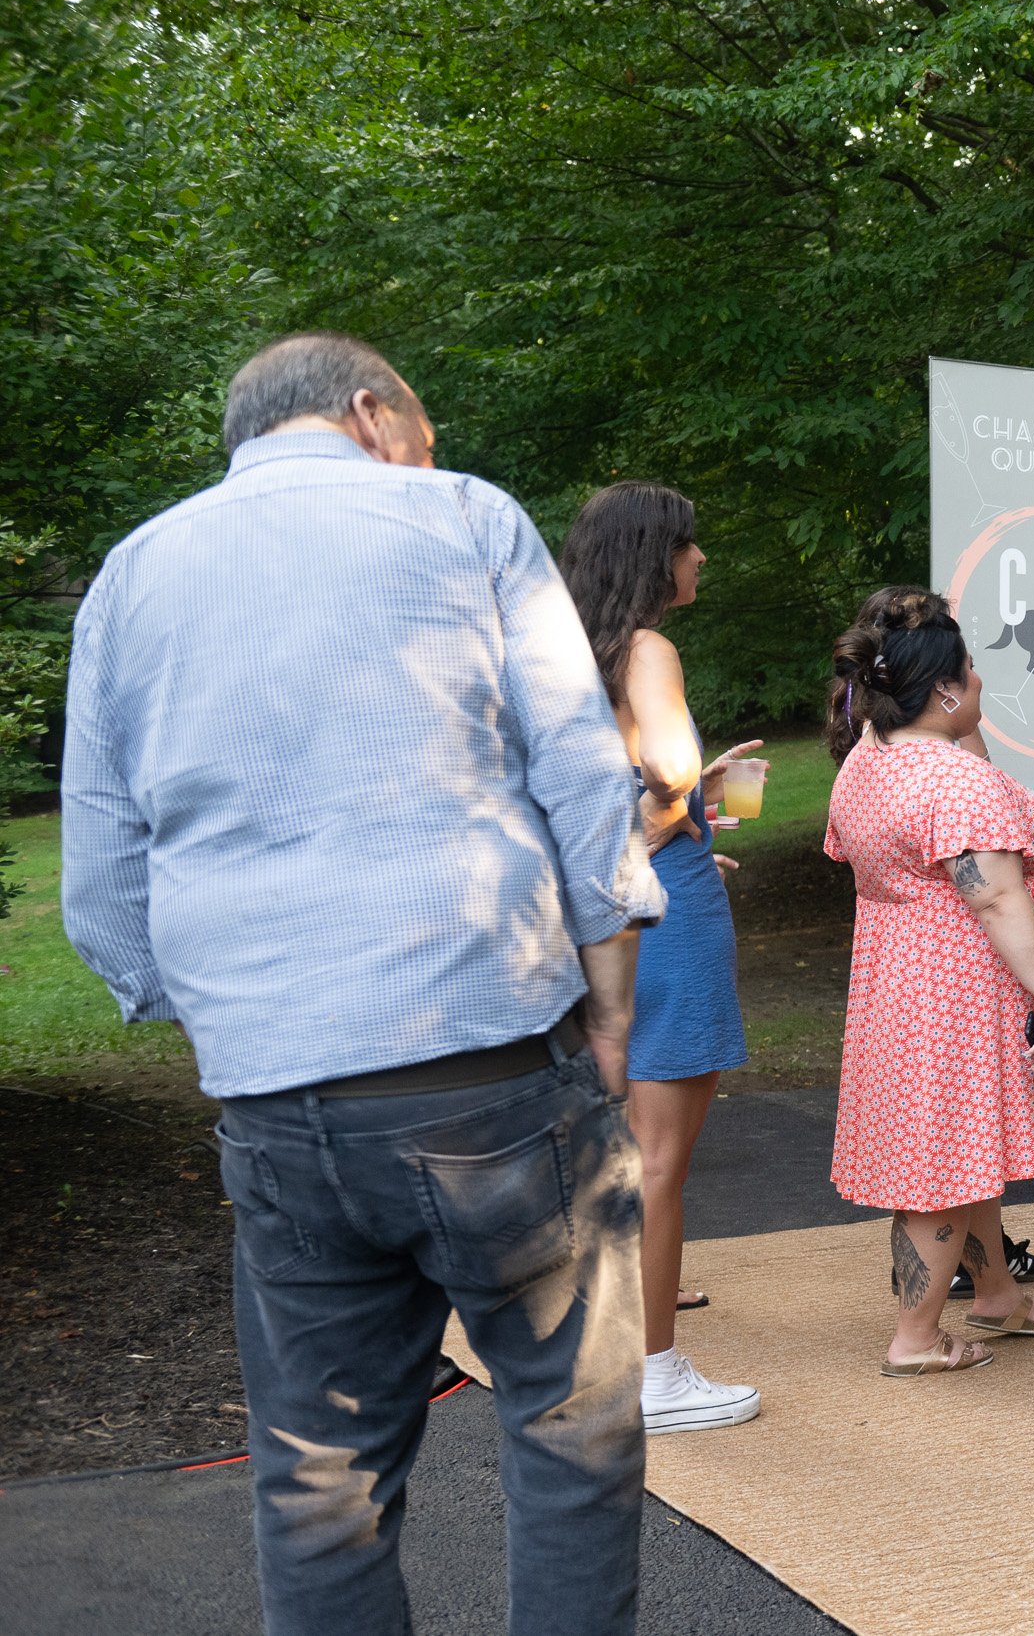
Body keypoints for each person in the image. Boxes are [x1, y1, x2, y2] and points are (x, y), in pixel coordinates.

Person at [61, 333, 661, 1636]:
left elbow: (102, 887)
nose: (428, 456)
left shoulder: (132, 576)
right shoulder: (466, 519)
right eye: (425, 433)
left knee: (318, 1479)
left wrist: (235, 1009)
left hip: (276, 1105)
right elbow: (580, 778)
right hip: (494, 1070)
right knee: (572, 1440)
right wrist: (608, 995)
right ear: (373, 412)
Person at [823, 587, 1034, 1376]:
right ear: (944, 689)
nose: (978, 680)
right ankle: (916, 1336)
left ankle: (996, 1290)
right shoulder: (949, 778)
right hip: (957, 991)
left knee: (964, 1150)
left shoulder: (871, 757)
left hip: (902, 978)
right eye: (970, 671)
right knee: (938, 1165)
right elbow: (995, 891)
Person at [558, 481, 762, 1435]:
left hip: (616, 907)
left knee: (619, 1152)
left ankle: (602, 1346)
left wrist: (665, 824)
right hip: (668, 921)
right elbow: (668, 772)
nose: (702, 558)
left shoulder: (569, 654)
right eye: (689, 543)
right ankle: (657, 1375)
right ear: (653, 556)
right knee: (660, 1161)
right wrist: (680, 806)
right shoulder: (651, 649)